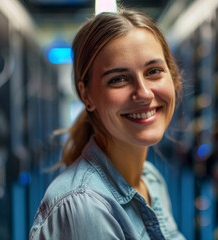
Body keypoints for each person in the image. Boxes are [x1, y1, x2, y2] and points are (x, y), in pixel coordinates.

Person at [29, 8, 185, 240]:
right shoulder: (84, 207)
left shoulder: (151, 180)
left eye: (154, 71)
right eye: (118, 79)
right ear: (86, 95)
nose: (143, 93)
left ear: (171, 77)